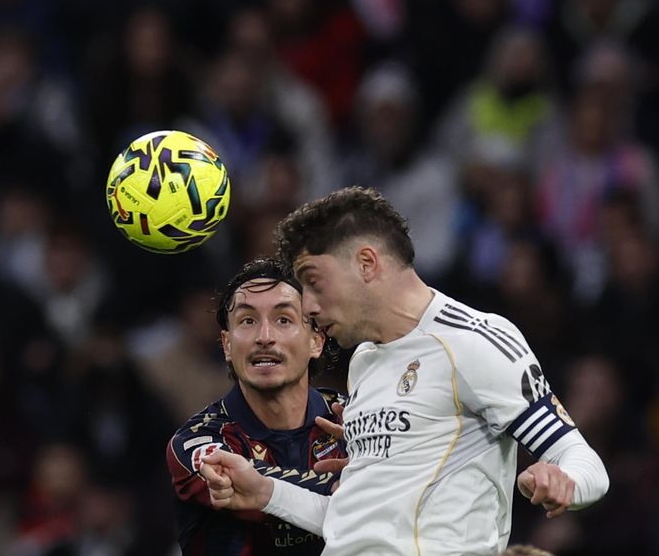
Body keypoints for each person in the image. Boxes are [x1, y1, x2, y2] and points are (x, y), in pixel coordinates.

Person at [199, 187, 609, 555]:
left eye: (313, 282)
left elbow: (584, 462)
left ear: (366, 263)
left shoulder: (472, 341)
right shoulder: (365, 362)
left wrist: (563, 480)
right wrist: (265, 492)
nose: (307, 306)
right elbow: (356, 525)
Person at [166, 257, 347, 555]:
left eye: (284, 320)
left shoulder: (353, 418)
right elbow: (374, 497)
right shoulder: (194, 443)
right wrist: (355, 484)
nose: (265, 337)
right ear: (226, 345)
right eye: (248, 321)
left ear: (316, 341)